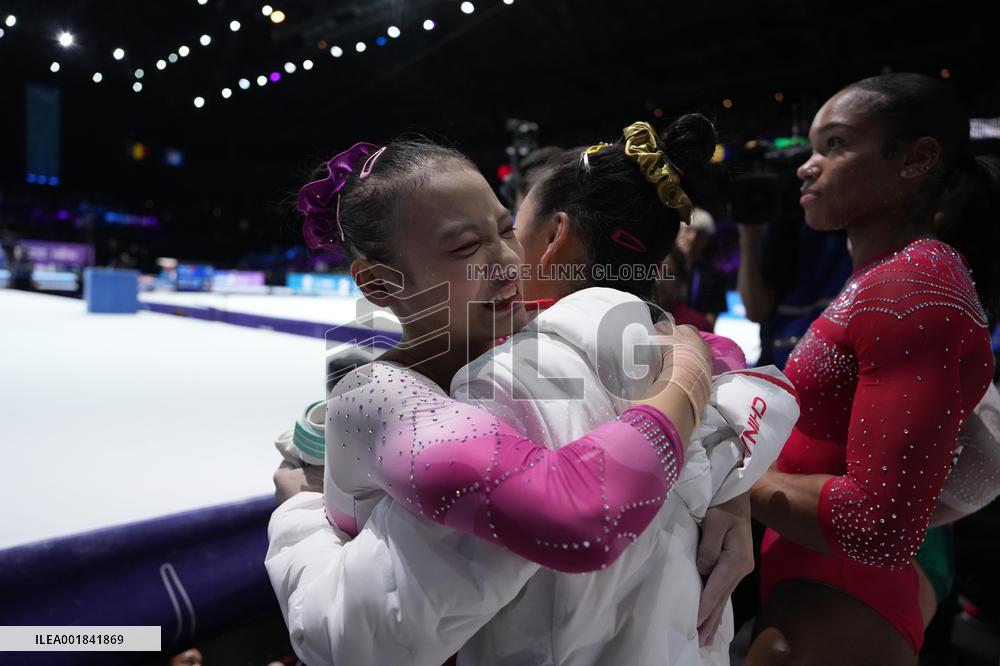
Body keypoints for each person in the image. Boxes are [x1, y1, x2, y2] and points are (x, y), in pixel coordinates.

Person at [267, 121, 800, 665]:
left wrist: (728, 488)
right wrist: (688, 379)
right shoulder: (377, 398)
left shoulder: (521, 339)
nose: (506, 260)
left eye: (505, 229)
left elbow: (711, 346)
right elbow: (578, 514)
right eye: (467, 246)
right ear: (380, 283)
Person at [747, 73, 999, 665]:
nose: (807, 166)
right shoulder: (887, 276)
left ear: (917, 159)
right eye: (813, 148)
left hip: (843, 595)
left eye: (835, 144)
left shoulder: (913, 286)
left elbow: (878, 525)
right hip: (815, 577)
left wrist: (722, 470)